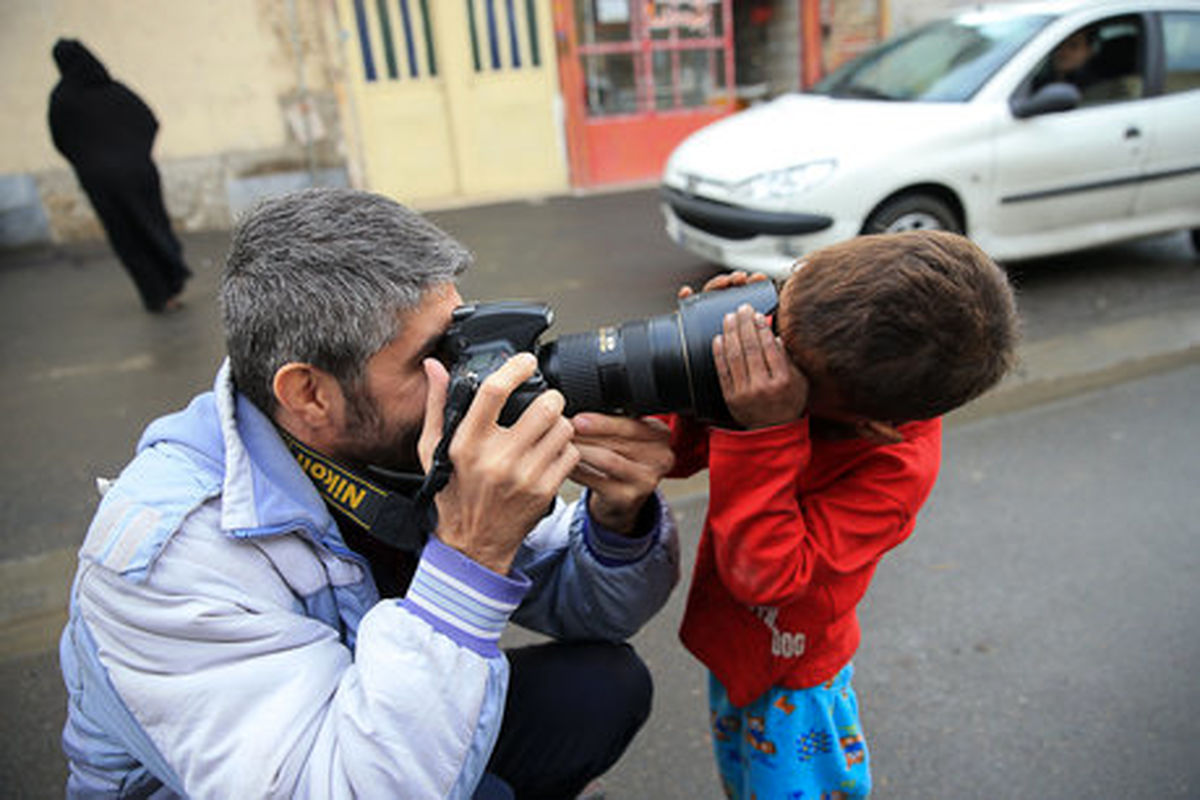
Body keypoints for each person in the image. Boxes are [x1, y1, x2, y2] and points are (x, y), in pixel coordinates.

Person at [58, 187, 680, 798]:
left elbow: (593, 609)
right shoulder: (170, 555)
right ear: (308, 394)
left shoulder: (399, 442)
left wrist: (617, 520)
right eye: (429, 356)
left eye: (458, 333)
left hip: (382, 715)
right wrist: (470, 554)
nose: (465, 372)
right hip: (306, 776)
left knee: (604, 687)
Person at [666, 230, 1019, 799]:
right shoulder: (818, 363)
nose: (773, 347)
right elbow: (675, 456)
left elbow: (767, 574)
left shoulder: (896, 466)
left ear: (868, 422)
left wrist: (764, 429)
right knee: (741, 784)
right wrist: (708, 367)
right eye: (781, 303)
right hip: (739, 648)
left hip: (795, 684)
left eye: (788, 360)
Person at [48, 39, 191, 313]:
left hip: (102, 183)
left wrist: (88, 161)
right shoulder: (115, 91)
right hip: (139, 174)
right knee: (153, 225)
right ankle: (172, 280)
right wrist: (137, 153)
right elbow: (149, 120)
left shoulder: (62, 99)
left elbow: (61, 140)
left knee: (128, 237)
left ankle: (157, 294)